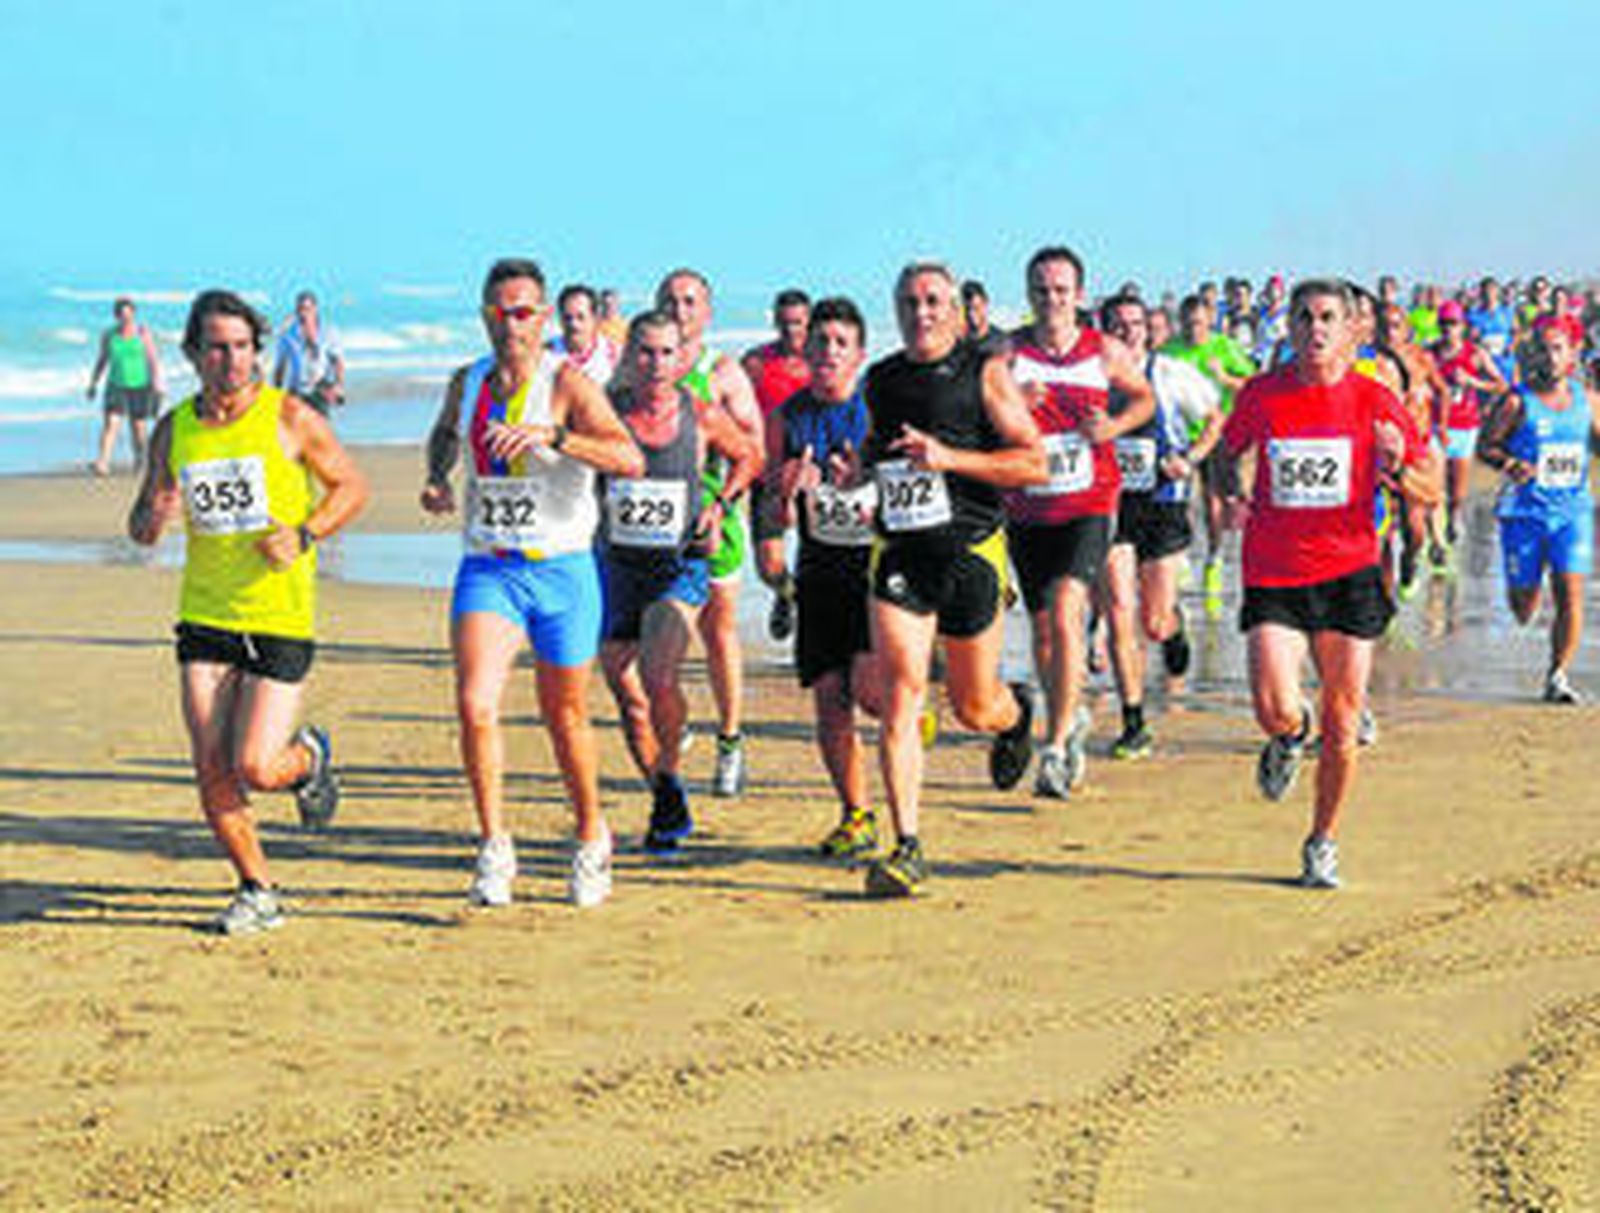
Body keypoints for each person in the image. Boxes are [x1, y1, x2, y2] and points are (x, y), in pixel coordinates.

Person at [126, 288, 369, 934]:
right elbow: (142, 526)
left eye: (242, 347)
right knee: (210, 762)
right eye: (217, 348)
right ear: (193, 354)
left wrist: (306, 533)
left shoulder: (289, 416)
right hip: (205, 612)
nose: (232, 360)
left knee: (256, 765)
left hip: (277, 614)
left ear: (256, 351)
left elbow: (351, 486)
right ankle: (257, 888)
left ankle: (310, 758)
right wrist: (153, 514)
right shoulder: (174, 429)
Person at [421, 258, 643, 909]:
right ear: (484, 316)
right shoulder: (467, 382)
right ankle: (494, 844)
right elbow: (444, 433)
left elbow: (627, 456)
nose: (510, 324)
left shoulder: (566, 383)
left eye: (522, 312)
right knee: (474, 702)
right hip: (490, 566)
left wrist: (557, 436)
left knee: (563, 715)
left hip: (563, 568)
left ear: (542, 317)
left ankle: (591, 835)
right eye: (498, 311)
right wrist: (437, 477)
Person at [1222, 278, 1438, 889]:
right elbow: (1227, 451)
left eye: (1326, 318)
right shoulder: (1263, 393)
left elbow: (1429, 487)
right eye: (1303, 318)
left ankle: (1322, 840)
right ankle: (1290, 736)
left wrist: (1395, 468)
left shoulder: (1375, 399)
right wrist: (1232, 488)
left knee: (1343, 726)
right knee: (1273, 706)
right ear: (1289, 328)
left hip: (1349, 571)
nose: (1314, 329)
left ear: (1349, 330)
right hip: (1274, 569)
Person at [854, 261, 1047, 896]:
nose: (921, 313)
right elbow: (877, 453)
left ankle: (1015, 715)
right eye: (910, 302)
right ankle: (906, 845)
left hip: (971, 553)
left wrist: (950, 458)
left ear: (957, 311)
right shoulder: (881, 378)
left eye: (934, 301)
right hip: (901, 553)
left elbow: (1034, 464)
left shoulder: (983, 373)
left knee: (972, 706)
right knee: (901, 694)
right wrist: (854, 477)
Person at [597, 311, 763, 852]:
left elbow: (749, 456)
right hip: (617, 567)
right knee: (629, 698)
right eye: (645, 351)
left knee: (658, 677)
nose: (656, 364)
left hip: (679, 565)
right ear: (629, 355)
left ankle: (669, 770)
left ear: (680, 357)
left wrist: (720, 505)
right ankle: (665, 793)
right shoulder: (604, 411)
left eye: (667, 352)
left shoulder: (700, 413)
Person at [1004, 250, 1154, 795]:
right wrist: (1013, 403)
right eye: (1042, 290)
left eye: (1062, 290)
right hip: (1027, 508)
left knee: (1069, 611)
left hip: (1090, 503)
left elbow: (1144, 400)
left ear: (1080, 295)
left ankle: (1056, 745)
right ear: (1029, 294)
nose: (1052, 300)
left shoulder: (1104, 350)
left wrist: (1112, 427)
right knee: (1045, 632)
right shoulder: (1008, 353)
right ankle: (1066, 712)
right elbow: (979, 411)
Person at [763, 297, 885, 855]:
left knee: (871, 693)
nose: (830, 352)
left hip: (875, 568)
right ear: (805, 352)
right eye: (821, 342)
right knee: (830, 697)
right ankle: (856, 814)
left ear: (859, 354)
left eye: (841, 343)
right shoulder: (787, 417)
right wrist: (788, 490)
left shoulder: (878, 409)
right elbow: (773, 510)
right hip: (818, 571)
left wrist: (864, 482)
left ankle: (910, 706)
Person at [1097, 293, 1223, 757]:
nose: (1128, 332)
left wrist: (1189, 459)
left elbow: (1214, 420)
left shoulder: (1170, 373)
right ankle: (1133, 722)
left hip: (1163, 504)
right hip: (1112, 504)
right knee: (1118, 610)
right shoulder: (1093, 377)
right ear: (1105, 330)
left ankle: (1173, 627)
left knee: (1152, 621)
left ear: (1148, 330)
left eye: (1135, 323)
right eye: (1118, 324)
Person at [655, 269, 764, 797]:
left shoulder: (722, 373)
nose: (679, 310)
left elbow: (753, 450)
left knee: (718, 631)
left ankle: (730, 741)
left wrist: (722, 507)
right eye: (670, 301)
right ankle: (673, 721)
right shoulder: (639, 369)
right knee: (651, 640)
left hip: (711, 523)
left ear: (707, 312)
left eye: (689, 301)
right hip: (654, 527)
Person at [1477, 315, 1598, 704]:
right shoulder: (1517, 401)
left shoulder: (1589, 401)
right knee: (1523, 607)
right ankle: (1530, 586)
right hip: (1524, 514)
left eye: (1557, 349)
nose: (1549, 357)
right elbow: (1486, 447)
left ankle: (1557, 676)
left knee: (1571, 594)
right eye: (1542, 349)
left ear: (1572, 354)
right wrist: (1509, 463)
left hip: (1573, 512)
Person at [1164, 293, 1257, 613]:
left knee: (1213, 502)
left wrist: (1224, 377)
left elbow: (1252, 384)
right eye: (1189, 324)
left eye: (1200, 324)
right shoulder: (1169, 350)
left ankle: (1213, 559)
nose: (1194, 330)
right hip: (1179, 436)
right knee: (1177, 501)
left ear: (1211, 322)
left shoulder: (1224, 347)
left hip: (1216, 433)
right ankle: (1182, 556)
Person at [742, 289, 813, 642]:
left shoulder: (825, 361)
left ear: (809, 322)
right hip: (768, 474)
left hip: (813, 474)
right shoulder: (755, 363)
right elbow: (737, 412)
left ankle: (818, 622)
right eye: (785, 323)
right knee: (768, 566)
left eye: (798, 323)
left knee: (822, 558)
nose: (791, 331)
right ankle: (787, 594)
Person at [1430, 298, 1507, 550]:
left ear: (1462, 326)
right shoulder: (1430, 354)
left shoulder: (1475, 354)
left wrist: (1473, 382)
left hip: (1465, 426)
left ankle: (1454, 516)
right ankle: (1437, 540)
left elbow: (1501, 385)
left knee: (1458, 491)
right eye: (1444, 324)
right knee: (1435, 487)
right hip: (1436, 426)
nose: (1448, 329)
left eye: (1453, 324)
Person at [86, 296, 164, 475]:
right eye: (122, 316)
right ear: (116, 316)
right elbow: (102, 359)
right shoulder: (109, 335)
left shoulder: (143, 333)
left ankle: (141, 460)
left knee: (138, 428)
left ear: (134, 315)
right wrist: (93, 383)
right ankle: (103, 463)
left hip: (140, 384)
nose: (126, 319)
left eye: (129, 315)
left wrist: (157, 384)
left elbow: (153, 360)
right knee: (111, 424)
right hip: (116, 384)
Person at [271, 291, 345, 416]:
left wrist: (339, 385)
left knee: (320, 425)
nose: (303, 314)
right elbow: (280, 367)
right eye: (300, 309)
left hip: (320, 389)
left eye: (307, 309)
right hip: (297, 391)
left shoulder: (328, 332)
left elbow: (338, 361)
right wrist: (275, 395)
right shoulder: (288, 335)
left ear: (315, 309)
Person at [548, 283, 620, 384]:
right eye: (567, 318)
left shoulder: (613, 355)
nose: (573, 324)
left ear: (595, 318)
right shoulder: (546, 354)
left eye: (580, 317)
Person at [961, 279, 1009, 356]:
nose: (971, 314)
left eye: (976, 308)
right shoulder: (958, 343)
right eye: (967, 309)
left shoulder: (1001, 341)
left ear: (985, 304)